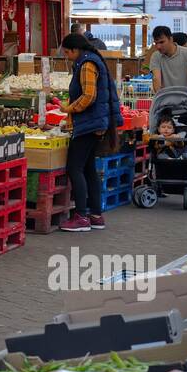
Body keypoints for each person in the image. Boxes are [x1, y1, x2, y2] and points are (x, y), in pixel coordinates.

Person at [58, 33, 124, 233]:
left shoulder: (87, 64)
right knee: (88, 169)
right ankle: (95, 215)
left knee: (74, 168)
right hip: (95, 123)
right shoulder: (91, 61)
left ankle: (80, 217)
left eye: (67, 52)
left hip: (88, 124)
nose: (67, 56)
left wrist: (68, 109)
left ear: (75, 50)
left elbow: (89, 96)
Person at [149, 25, 187, 93]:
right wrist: (160, 98)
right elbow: (156, 80)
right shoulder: (155, 56)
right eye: (156, 43)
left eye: (162, 42)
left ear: (171, 39)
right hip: (165, 99)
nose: (158, 46)